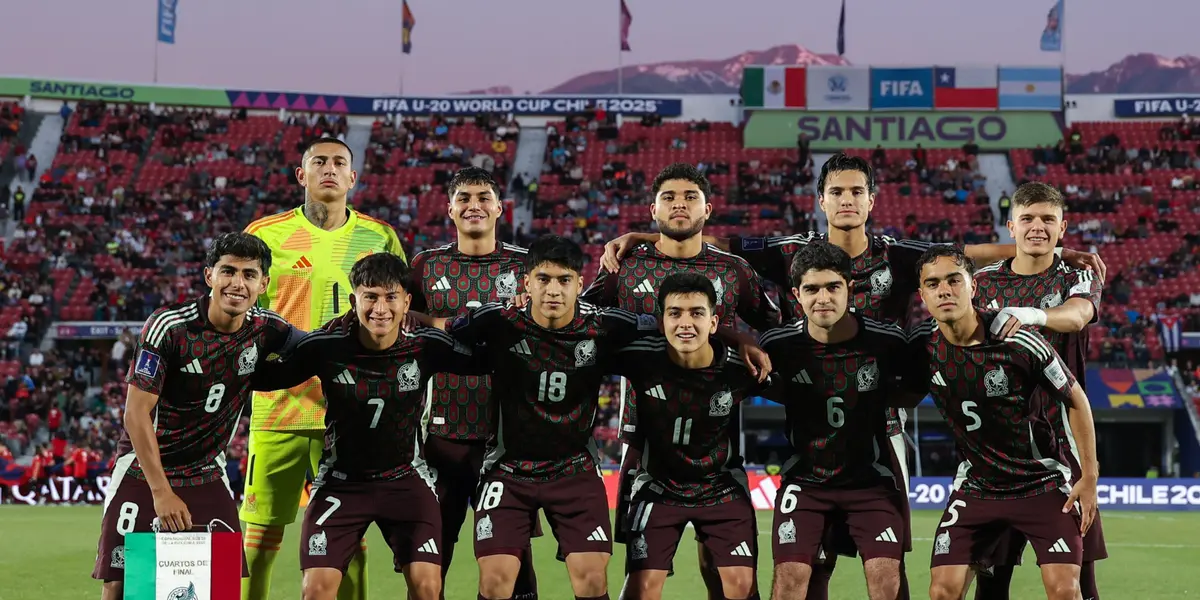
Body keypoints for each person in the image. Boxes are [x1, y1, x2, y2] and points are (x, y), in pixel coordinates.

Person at [601, 153, 1105, 600]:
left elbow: (959, 256)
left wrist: (1054, 254)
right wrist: (650, 237)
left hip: (881, 430)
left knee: (890, 565)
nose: (846, 199)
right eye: (837, 191)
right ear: (821, 200)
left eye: (856, 191)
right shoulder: (789, 252)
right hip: (803, 429)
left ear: (871, 200)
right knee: (799, 565)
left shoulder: (900, 257)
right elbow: (714, 242)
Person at [416, 235, 658, 600]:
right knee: (497, 582)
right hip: (508, 470)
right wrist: (397, 313)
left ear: (580, 283)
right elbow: (442, 331)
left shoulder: (607, 325)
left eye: (564, 280)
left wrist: (738, 341)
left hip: (574, 468)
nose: (553, 290)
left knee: (592, 579)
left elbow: (675, 325)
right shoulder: (496, 319)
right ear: (526, 283)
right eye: (543, 279)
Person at [583, 162, 778, 600]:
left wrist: (744, 341)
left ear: (707, 208)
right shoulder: (624, 266)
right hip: (644, 439)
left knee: (720, 566)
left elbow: (772, 328)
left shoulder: (734, 270)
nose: (679, 205)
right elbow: (584, 319)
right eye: (669, 197)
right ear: (653, 209)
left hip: (718, 433)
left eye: (690, 197)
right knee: (641, 571)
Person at [253, 254, 481, 600]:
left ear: (407, 302)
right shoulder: (325, 347)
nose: (380, 308)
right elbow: (261, 377)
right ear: (353, 300)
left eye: (391, 298)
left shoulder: (426, 346)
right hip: (342, 484)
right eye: (370, 296)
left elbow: (490, 359)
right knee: (315, 590)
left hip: (406, 480)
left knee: (428, 587)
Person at [240, 137, 405, 600]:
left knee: (348, 541)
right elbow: (246, 318)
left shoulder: (380, 237)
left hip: (350, 411)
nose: (329, 170)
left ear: (353, 178)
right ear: (302, 175)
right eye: (319, 162)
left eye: (339, 163)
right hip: (279, 409)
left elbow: (396, 314)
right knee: (258, 541)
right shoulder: (266, 235)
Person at [91, 233, 297, 600]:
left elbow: (317, 349)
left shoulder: (267, 329)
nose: (237, 283)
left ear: (263, 284)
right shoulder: (169, 327)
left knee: (222, 586)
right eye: (228, 271)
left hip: (206, 470)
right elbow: (135, 414)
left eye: (249, 275)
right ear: (208, 276)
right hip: (143, 470)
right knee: (120, 586)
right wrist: (162, 493)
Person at [903, 245, 1100, 600]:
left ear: (972, 286)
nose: (944, 290)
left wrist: (1089, 475)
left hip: (1039, 482)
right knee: (942, 592)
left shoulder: (1018, 339)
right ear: (923, 295)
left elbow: (1076, 399)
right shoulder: (920, 345)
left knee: (1065, 591)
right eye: (933, 284)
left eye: (953, 280)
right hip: (978, 486)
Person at [970, 181, 1107, 600]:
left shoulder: (1078, 275)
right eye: (1027, 218)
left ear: (1062, 227)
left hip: (1062, 442)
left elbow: (1079, 315)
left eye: (1048, 219)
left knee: (1080, 581)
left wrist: (1031, 314)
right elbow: (947, 253)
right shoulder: (981, 282)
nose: (1037, 227)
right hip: (998, 450)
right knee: (992, 582)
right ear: (1010, 226)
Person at [408, 167, 539, 599]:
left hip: (508, 438)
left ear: (500, 207)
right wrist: (440, 322)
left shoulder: (528, 265)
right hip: (442, 437)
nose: (474, 205)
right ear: (450, 209)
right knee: (429, 561)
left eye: (483, 196)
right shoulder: (427, 265)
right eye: (464, 197)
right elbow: (402, 320)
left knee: (514, 566)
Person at [757, 242, 911, 600]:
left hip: (870, 481)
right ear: (796, 294)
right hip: (805, 482)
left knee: (887, 579)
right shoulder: (777, 346)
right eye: (811, 289)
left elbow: (916, 386)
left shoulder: (887, 342)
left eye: (832, 287)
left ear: (850, 289)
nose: (822, 298)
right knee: (790, 580)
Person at [612, 272, 767, 600]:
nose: (685, 323)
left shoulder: (744, 366)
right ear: (661, 321)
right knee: (641, 589)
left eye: (696, 313)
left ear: (713, 323)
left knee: (741, 587)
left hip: (721, 485)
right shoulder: (638, 355)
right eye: (675, 313)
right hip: (658, 485)